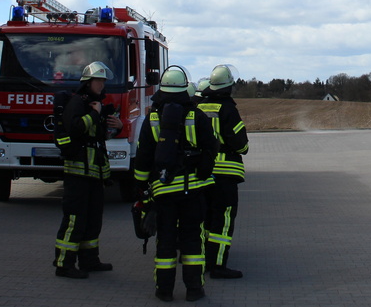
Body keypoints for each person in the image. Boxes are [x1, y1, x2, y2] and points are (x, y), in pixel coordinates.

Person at [134, 66, 219, 302]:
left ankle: (164, 291)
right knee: (193, 240)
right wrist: (203, 172)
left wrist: (141, 187)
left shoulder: (152, 119)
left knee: (166, 241)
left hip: (164, 192)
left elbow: (143, 158)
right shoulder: (196, 115)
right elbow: (211, 147)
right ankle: (194, 289)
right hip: (193, 191)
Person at [54, 61, 123, 278]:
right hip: (77, 174)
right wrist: (94, 114)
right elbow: (75, 128)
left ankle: (89, 261)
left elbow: (100, 135)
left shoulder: (96, 104)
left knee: (93, 219)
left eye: (103, 81)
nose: (101, 85)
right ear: (87, 82)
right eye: (97, 80)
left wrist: (117, 126)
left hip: (94, 174)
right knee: (75, 219)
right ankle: (64, 264)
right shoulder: (77, 102)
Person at [197, 64, 249, 279]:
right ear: (228, 86)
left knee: (205, 218)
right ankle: (218, 265)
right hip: (225, 174)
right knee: (223, 219)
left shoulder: (199, 107)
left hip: (202, 172)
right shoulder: (228, 109)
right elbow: (241, 145)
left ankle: (202, 261)